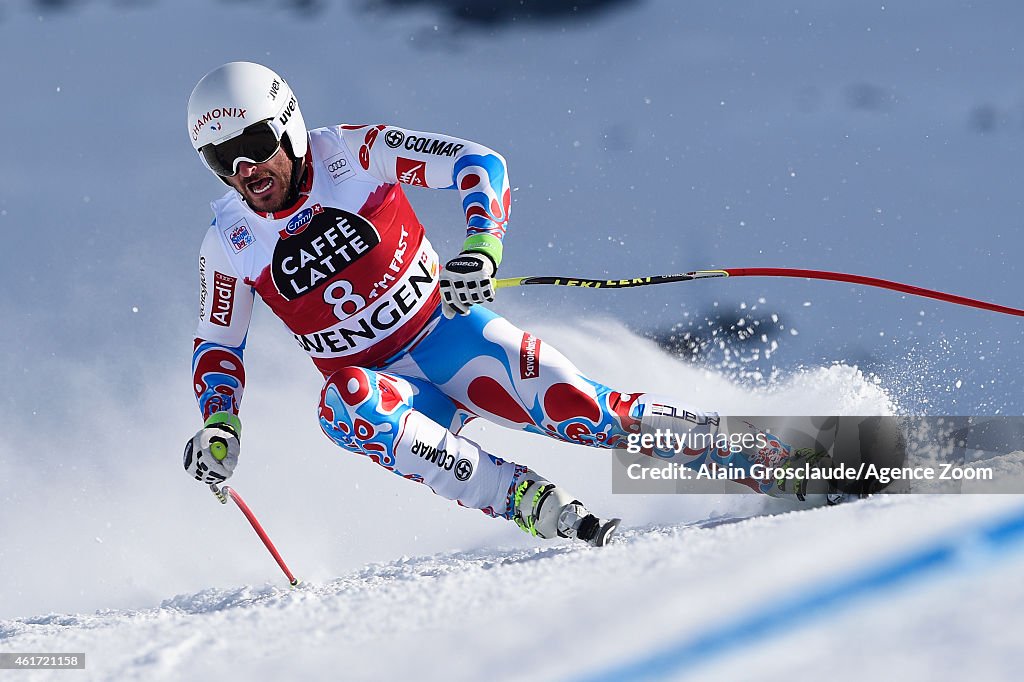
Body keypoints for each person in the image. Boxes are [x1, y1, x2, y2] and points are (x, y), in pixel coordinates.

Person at [181, 62, 823, 549]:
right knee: (344, 402)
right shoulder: (227, 241)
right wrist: (220, 425)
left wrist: (482, 246)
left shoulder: (352, 153)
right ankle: (528, 501)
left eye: (256, 142)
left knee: (583, 409)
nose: (245, 168)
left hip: (452, 337)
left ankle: (793, 464)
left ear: (288, 124)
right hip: (392, 393)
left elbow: (477, 163)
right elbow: (217, 345)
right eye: (221, 159)